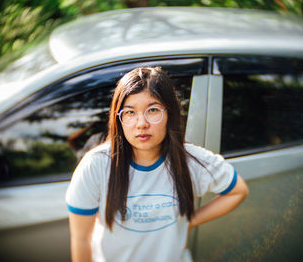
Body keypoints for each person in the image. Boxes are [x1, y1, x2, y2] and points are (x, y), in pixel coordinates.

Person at [65, 67, 249, 262]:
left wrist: (187, 221)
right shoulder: (96, 165)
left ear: (169, 113)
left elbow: (238, 191)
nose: (141, 123)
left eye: (153, 110)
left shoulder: (191, 160)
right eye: (130, 112)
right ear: (119, 119)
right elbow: (81, 239)